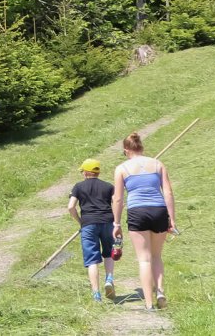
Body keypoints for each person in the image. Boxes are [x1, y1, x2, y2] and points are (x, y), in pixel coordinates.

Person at [112, 132, 176, 312]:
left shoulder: (122, 168)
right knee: (156, 256)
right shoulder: (157, 164)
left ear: (126, 150)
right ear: (141, 147)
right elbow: (168, 193)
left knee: (144, 259)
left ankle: (148, 303)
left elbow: (118, 199)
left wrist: (116, 224)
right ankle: (160, 291)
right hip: (159, 210)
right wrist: (172, 219)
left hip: (137, 212)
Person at [67, 158, 116, 302]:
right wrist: (115, 219)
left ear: (86, 172)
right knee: (109, 253)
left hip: (88, 224)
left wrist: (80, 221)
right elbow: (118, 202)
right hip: (107, 222)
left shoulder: (78, 186)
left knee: (92, 259)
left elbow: (71, 207)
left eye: (82, 171)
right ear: (97, 172)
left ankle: (96, 294)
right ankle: (109, 278)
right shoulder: (108, 186)